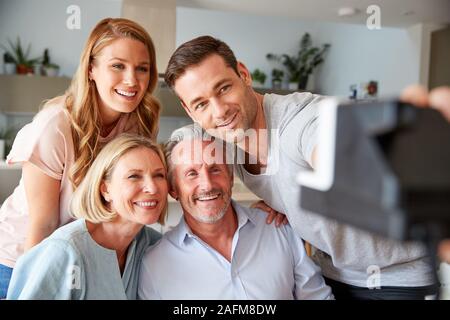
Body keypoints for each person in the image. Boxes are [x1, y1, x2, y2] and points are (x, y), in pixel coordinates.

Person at [163, 35, 450, 299]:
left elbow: (333, 145)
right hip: (333, 274)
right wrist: (283, 200)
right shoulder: (227, 142)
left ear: (243, 74)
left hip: (397, 278)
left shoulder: (300, 120)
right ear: (190, 111)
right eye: (200, 104)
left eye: (223, 88)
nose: (219, 110)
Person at [0, 18, 161, 298]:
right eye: (118, 66)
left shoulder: (140, 124)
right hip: (21, 259)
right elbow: (44, 224)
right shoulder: (56, 126)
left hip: (84, 258)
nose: (132, 80)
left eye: (142, 69)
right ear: (91, 69)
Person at [138, 126, 333, 300]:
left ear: (230, 177)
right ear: (173, 189)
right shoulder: (154, 264)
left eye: (215, 169)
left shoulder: (278, 228)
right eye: (192, 174)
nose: (207, 184)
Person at [7, 134, 167, 299]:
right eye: (134, 176)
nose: (152, 188)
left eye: (159, 175)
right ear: (105, 189)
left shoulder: (153, 245)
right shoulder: (65, 251)